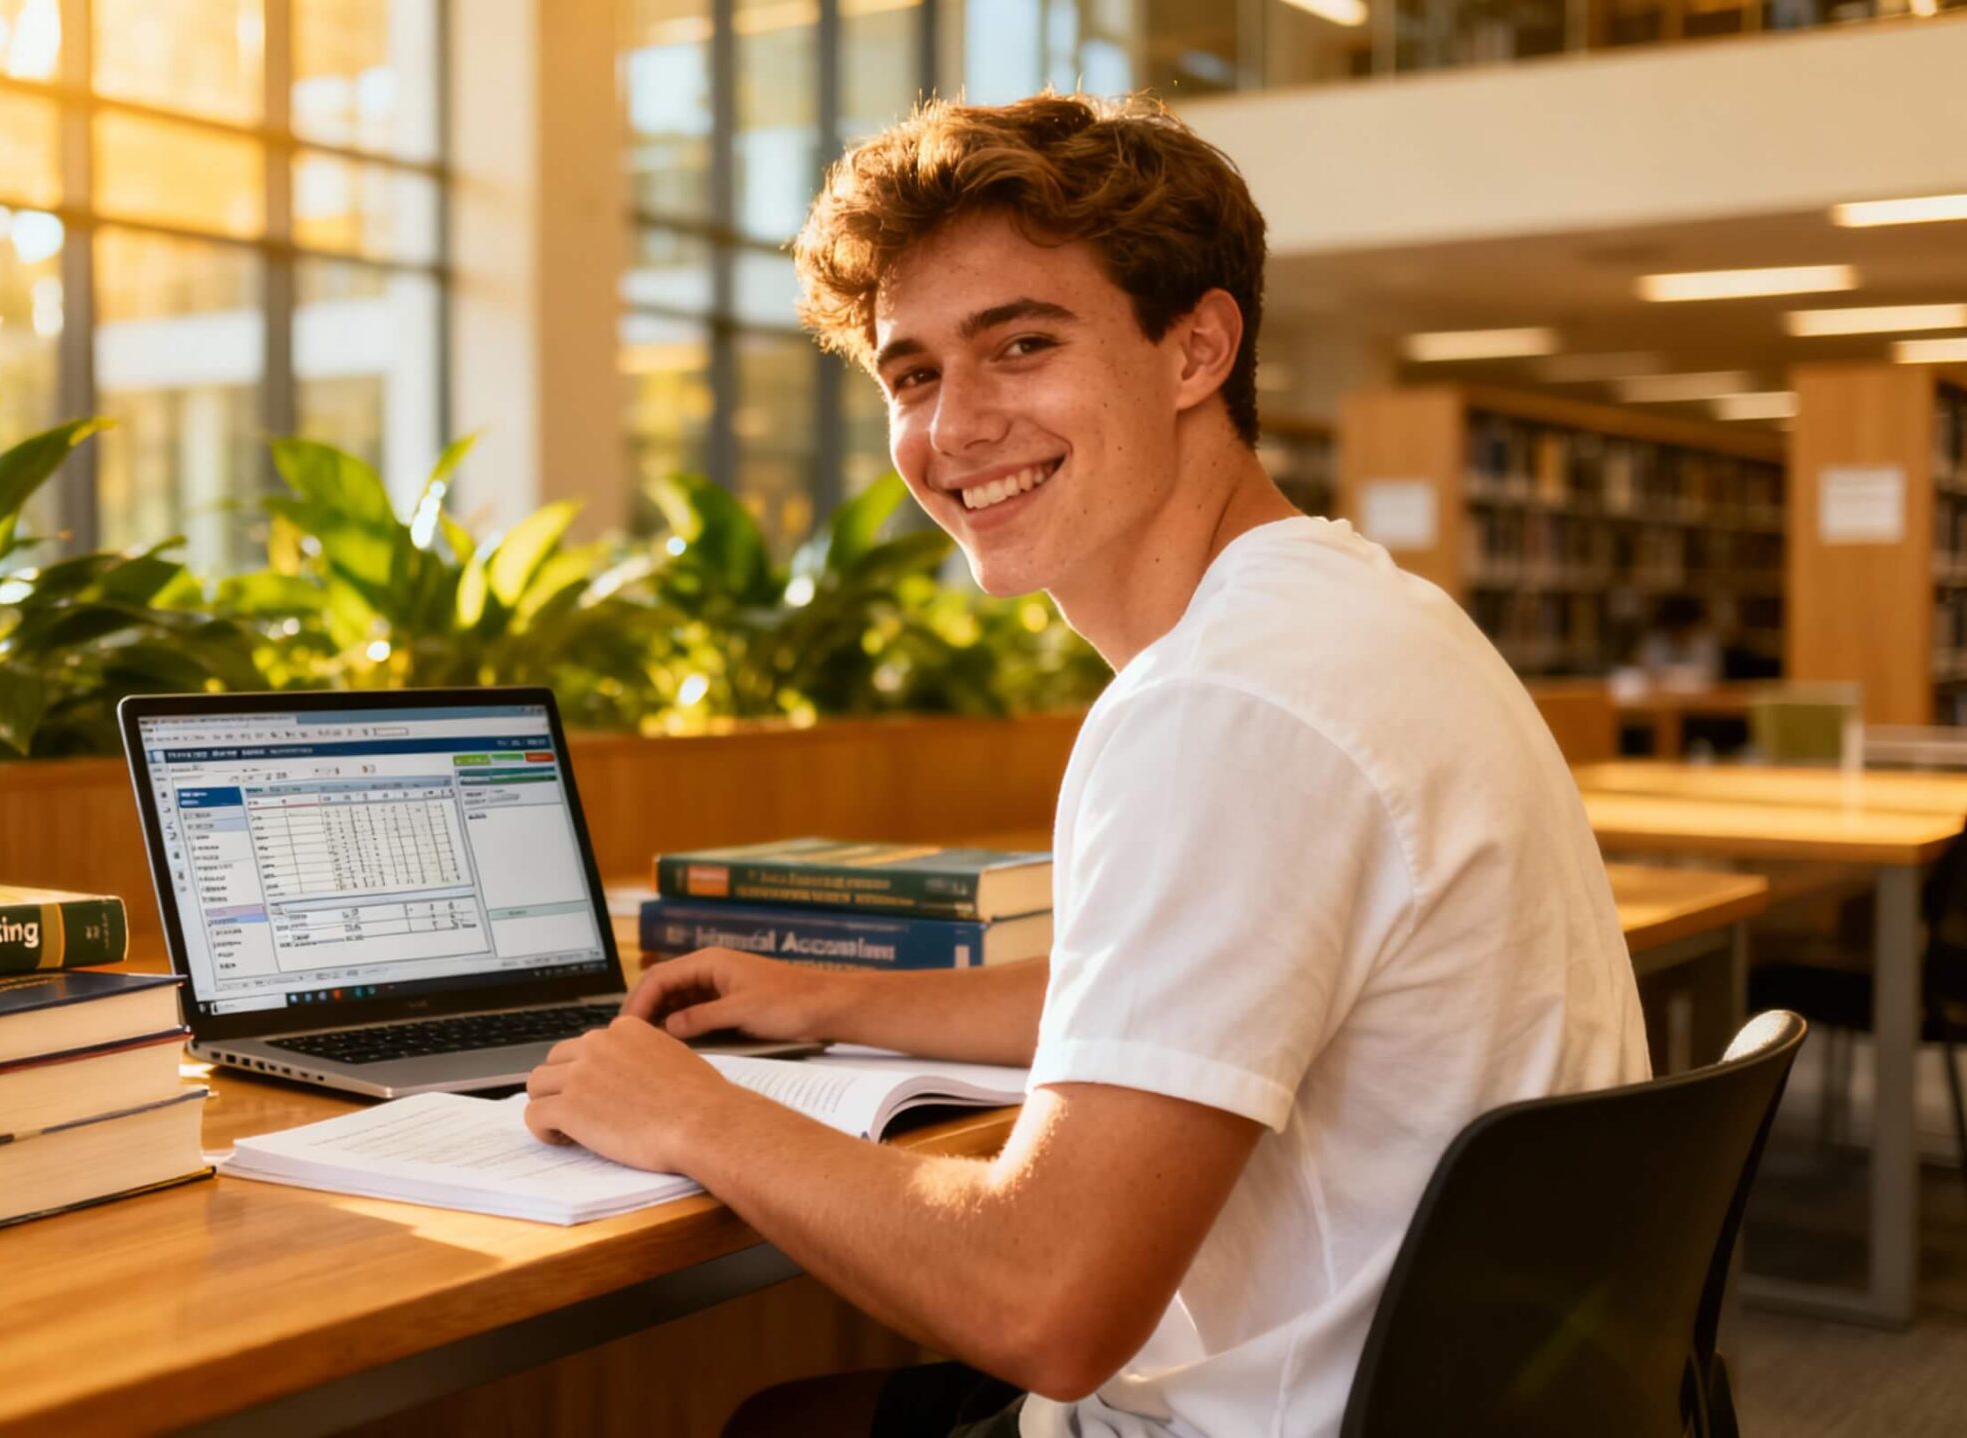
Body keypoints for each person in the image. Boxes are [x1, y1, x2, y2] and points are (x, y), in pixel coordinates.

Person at [522, 93, 1650, 1438]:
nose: (953, 429)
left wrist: (693, 1114)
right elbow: (1175, 994)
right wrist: (822, 991)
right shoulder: (1355, 616)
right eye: (914, 373)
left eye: (1021, 345)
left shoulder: (1228, 703)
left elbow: (1043, 1302)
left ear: (1197, 349)